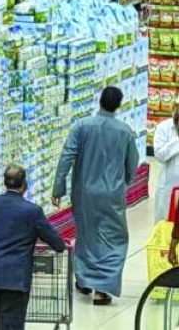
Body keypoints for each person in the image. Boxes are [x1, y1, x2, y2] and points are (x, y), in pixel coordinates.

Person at [51, 86, 140, 305]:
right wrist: (122, 184)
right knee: (114, 238)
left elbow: (67, 157)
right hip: (112, 194)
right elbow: (132, 164)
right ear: (118, 105)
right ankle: (102, 289)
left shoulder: (82, 126)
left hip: (84, 192)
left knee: (86, 233)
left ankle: (84, 279)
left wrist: (58, 188)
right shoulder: (125, 132)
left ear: (99, 101)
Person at [0, 165, 67, 330]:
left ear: (4, 182)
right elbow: (57, 244)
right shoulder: (32, 211)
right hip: (15, 278)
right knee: (12, 325)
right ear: (24, 184)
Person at [154, 105, 179, 223]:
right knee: (165, 224)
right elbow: (160, 155)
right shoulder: (164, 128)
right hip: (168, 186)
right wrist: (177, 140)